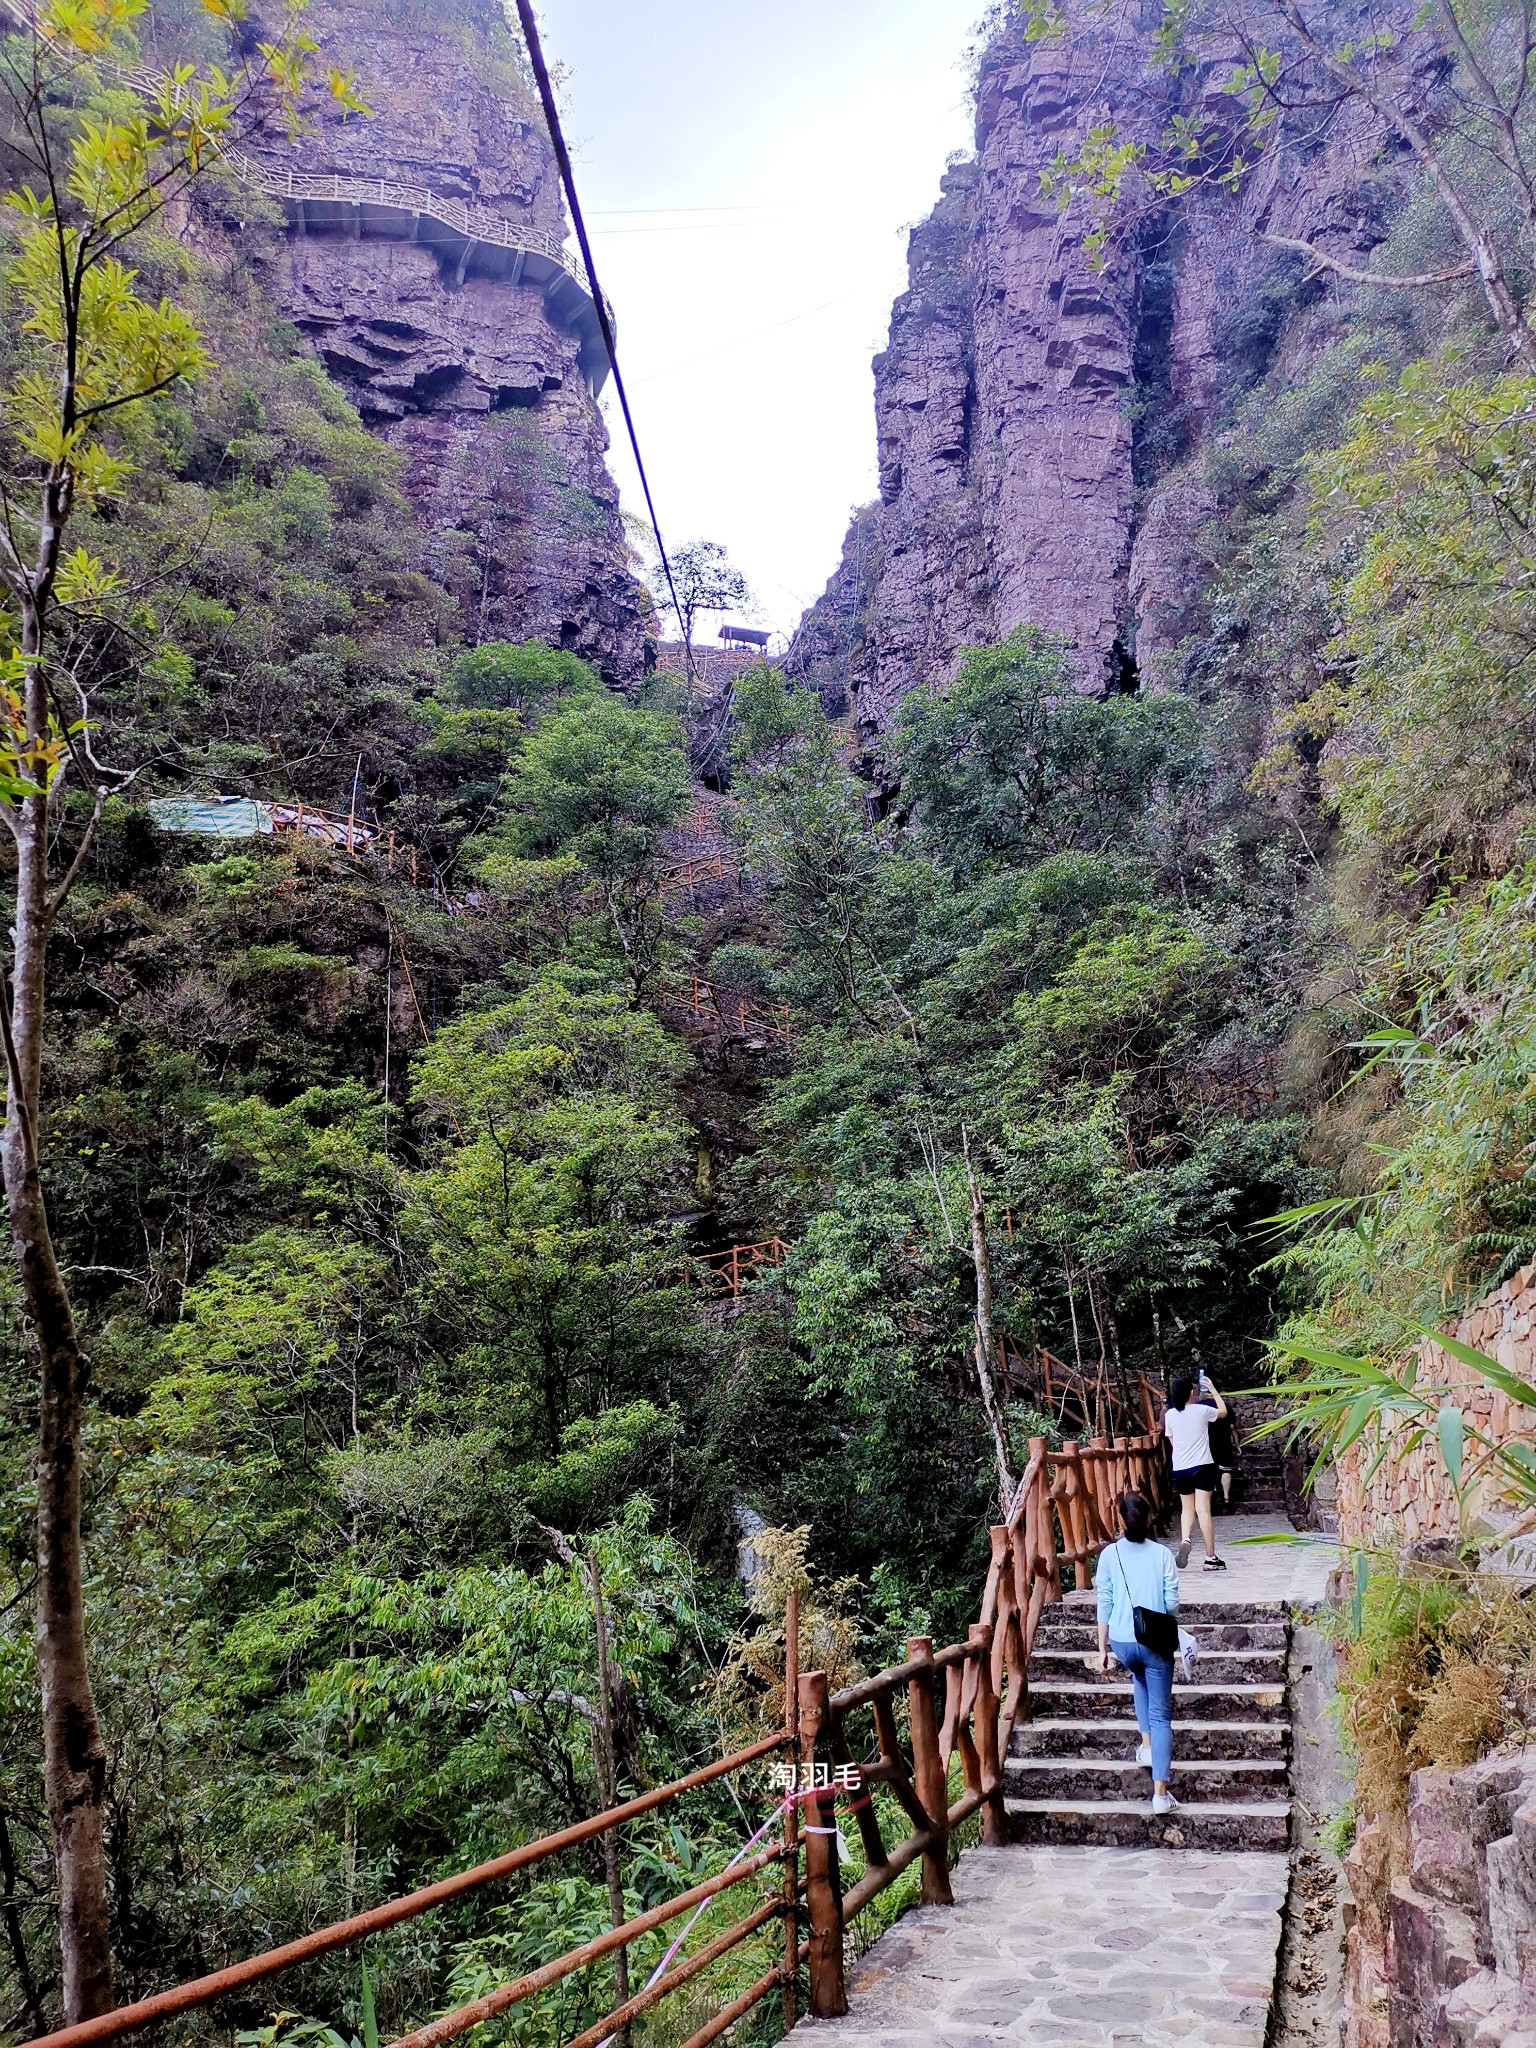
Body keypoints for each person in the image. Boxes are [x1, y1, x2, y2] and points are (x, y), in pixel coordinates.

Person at [1095, 1489, 1181, 1814]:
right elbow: (1171, 1604)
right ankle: (1160, 1795)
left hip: (1121, 1641)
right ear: (1148, 1518)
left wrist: (1102, 1647)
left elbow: (1104, 1602)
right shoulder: (1162, 1555)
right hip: (1154, 1640)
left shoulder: (1109, 1556)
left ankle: (1146, 1748)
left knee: (1139, 1677)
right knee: (1161, 1715)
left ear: (1121, 1520)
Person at [1164, 1369, 1228, 1570]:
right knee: (1204, 1510)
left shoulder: (1170, 1415)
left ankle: (1185, 1540)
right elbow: (1223, 1412)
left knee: (1187, 1509)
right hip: (1202, 1465)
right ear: (1189, 1393)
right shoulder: (1201, 1410)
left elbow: (1172, 1441)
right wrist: (1212, 1389)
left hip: (1180, 1467)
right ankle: (1211, 1557)